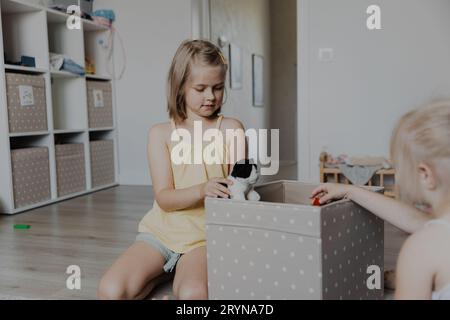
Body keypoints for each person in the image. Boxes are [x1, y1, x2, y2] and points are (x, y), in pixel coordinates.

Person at [98, 39, 246, 300]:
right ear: (180, 87)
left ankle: (175, 272)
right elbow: (164, 198)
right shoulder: (160, 134)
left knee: (192, 295)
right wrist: (202, 189)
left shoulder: (231, 129)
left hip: (205, 237)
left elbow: (240, 192)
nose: (211, 96)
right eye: (200, 88)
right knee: (110, 291)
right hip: (161, 233)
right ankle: (163, 271)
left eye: (218, 88)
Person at [311, 100, 450, 299]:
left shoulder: (421, 249)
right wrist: (351, 191)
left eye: (397, 167)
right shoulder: (436, 233)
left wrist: (408, 278)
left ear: (425, 174)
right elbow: (418, 221)